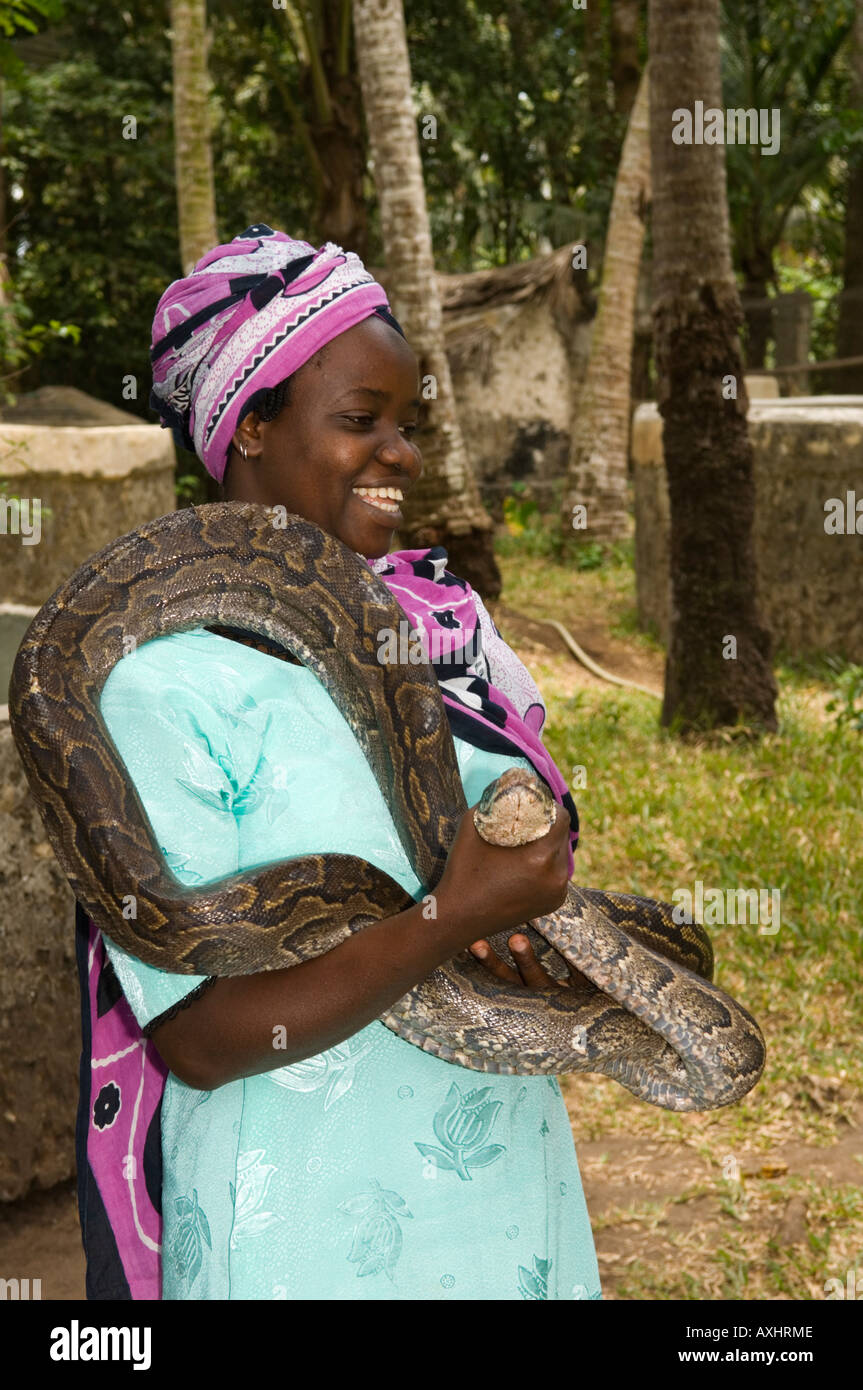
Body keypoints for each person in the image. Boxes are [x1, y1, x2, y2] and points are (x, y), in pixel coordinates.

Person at [74, 225, 602, 1301]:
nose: (401, 453)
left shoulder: (432, 633)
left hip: (500, 1197)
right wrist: (445, 918)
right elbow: (203, 1035)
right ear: (250, 427)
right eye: (362, 421)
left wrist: (516, 829)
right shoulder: (158, 690)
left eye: (408, 424)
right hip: (296, 1224)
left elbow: (514, 837)